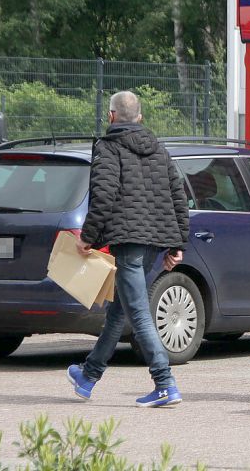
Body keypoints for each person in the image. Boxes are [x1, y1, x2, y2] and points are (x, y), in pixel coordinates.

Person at [65, 90, 189, 407]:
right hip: (154, 243)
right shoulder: (160, 150)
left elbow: (103, 195)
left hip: (128, 242)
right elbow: (179, 195)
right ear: (140, 117)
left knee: (138, 313)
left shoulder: (108, 147)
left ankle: (165, 383)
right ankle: (88, 375)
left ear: (111, 116)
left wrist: (87, 237)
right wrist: (177, 243)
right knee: (118, 311)